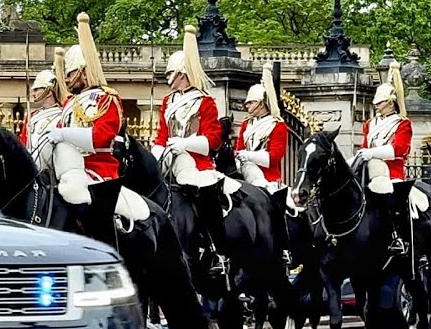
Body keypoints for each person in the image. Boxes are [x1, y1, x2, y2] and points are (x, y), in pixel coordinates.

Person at [35, 12, 147, 245]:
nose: (66, 81)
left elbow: (102, 139)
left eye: (70, 74)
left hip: (98, 172)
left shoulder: (106, 98)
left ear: (83, 72)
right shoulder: (69, 104)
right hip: (65, 171)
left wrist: (64, 134)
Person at [353, 61, 416, 253]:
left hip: (391, 172)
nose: (377, 106)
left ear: (391, 102)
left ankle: (396, 236)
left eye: (380, 103)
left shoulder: (402, 124)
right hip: (369, 170)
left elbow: (399, 150)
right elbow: (365, 148)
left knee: (389, 199)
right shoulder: (369, 124)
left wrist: (371, 153)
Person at [151, 25, 223, 188]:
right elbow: (162, 135)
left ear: (181, 74)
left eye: (170, 73)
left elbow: (213, 138)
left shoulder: (204, 101)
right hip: (168, 158)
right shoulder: (168, 101)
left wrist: (185, 144)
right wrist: (154, 157)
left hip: (196, 163)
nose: (167, 76)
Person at [235, 63, 288, 191]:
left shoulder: (277, 125)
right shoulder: (246, 124)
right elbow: (239, 149)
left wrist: (247, 156)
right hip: (244, 176)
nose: (247, 106)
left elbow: (273, 158)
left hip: (268, 179)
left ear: (261, 104)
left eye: (251, 102)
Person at [19, 63, 65, 155]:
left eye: (36, 90)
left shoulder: (62, 116)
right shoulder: (32, 116)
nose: (33, 94)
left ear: (48, 92)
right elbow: (23, 142)